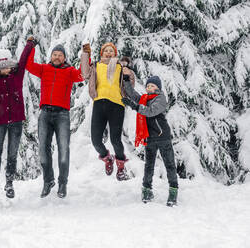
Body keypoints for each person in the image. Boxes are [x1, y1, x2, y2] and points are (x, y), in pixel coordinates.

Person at [26, 41, 83, 198]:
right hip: (45, 114)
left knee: (63, 149)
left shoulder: (70, 72)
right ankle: (48, 181)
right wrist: (31, 46)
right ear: (51, 56)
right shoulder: (44, 69)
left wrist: (86, 55)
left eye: (60, 55)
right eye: (55, 55)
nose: (57, 57)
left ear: (64, 58)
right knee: (43, 149)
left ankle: (63, 183)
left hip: (62, 115)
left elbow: (82, 74)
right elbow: (29, 65)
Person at [0, 37, 36, 198]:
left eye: (8, 67)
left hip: (16, 121)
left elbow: (23, 59)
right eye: (2, 67)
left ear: (12, 67)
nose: (5, 69)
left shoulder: (17, 76)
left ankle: (9, 183)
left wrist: (29, 44)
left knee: (12, 152)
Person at [80, 42, 136, 181]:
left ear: (115, 54)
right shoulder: (96, 66)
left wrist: (129, 72)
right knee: (96, 140)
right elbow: (85, 73)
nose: (109, 53)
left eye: (112, 51)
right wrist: (86, 54)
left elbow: (131, 85)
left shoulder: (120, 67)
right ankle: (107, 158)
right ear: (102, 53)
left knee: (115, 139)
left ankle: (121, 168)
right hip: (99, 103)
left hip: (117, 105)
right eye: (106, 51)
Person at [121, 75, 179, 206]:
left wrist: (135, 107)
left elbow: (151, 111)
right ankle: (146, 190)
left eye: (152, 86)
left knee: (169, 164)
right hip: (150, 138)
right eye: (147, 86)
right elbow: (133, 95)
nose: (149, 88)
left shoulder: (160, 99)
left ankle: (173, 191)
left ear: (158, 87)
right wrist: (126, 81)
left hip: (163, 136)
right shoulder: (145, 99)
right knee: (149, 166)